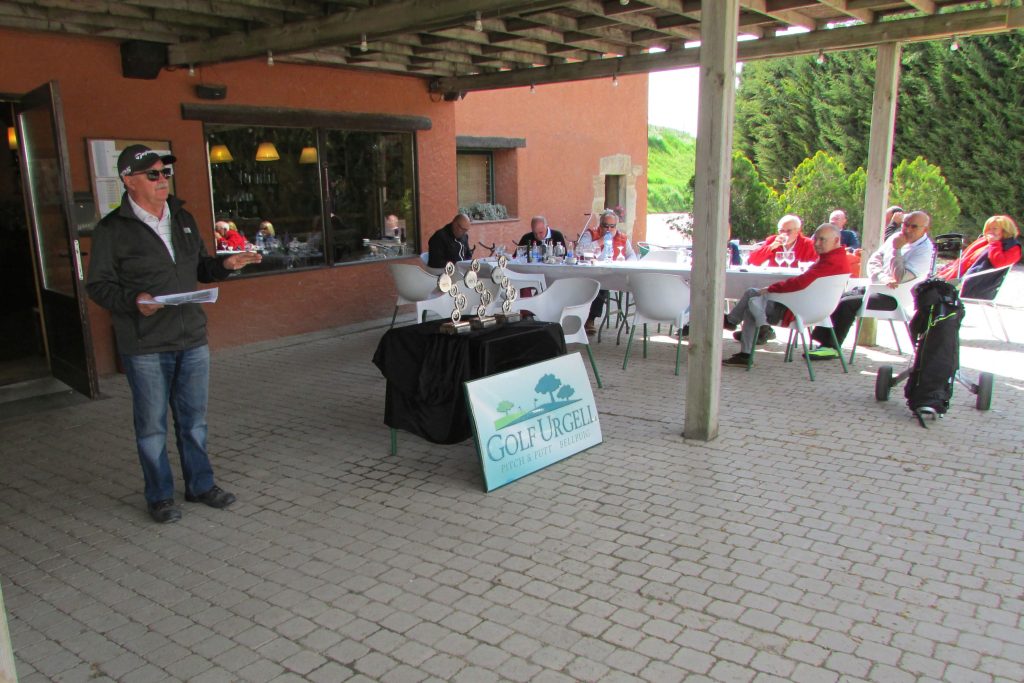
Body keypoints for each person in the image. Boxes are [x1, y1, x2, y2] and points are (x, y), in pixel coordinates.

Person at [87, 145, 262, 524]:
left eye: (165, 172)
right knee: (152, 427)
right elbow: (98, 286)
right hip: (145, 343)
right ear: (129, 181)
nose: (162, 179)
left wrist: (227, 265)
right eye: (152, 174)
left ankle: (200, 485)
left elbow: (201, 267)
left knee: (194, 421)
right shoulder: (112, 230)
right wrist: (134, 300)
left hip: (191, 337)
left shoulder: (182, 218)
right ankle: (160, 496)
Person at [807, 210, 934, 360]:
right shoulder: (896, 238)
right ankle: (824, 343)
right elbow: (873, 260)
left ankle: (832, 347)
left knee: (847, 304)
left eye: (914, 226)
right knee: (837, 297)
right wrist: (882, 276)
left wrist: (897, 250)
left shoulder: (924, 250)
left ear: (925, 229)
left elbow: (900, 277)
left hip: (895, 296)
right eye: (905, 225)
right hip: (877, 286)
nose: (907, 229)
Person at [723, 223, 850, 367]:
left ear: (836, 240)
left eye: (822, 240)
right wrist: (771, 247)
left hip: (797, 311)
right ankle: (744, 335)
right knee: (753, 300)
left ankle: (736, 327)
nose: (817, 243)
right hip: (820, 311)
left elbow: (800, 283)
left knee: (752, 298)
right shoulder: (839, 259)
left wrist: (771, 288)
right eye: (816, 239)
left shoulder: (830, 261)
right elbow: (753, 260)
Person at [936, 214, 1021, 299]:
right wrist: (946, 270)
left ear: (1006, 230)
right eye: (988, 228)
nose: (990, 231)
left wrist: (994, 243)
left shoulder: (1013, 247)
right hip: (959, 277)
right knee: (932, 284)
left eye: (994, 229)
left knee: (935, 292)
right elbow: (963, 259)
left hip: (975, 285)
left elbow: (999, 263)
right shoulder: (984, 240)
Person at [579, 210, 636, 334]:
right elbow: (580, 250)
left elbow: (632, 255)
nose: (609, 229)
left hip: (615, 273)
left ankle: (590, 318)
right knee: (598, 285)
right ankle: (588, 318)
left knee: (603, 284)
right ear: (600, 225)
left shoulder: (622, 237)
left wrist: (625, 263)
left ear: (616, 226)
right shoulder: (591, 233)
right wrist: (601, 241)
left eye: (612, 226)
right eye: (605, 226)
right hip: (592, 272)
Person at [747, 214, 816, 267]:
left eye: (789, 231)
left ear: (798, 231)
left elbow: (818, 266)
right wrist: (771, 247)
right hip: (775, 279)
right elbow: (752, 261)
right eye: (781, 230)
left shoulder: (809, 244)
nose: (784, 234)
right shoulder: (772, 241)